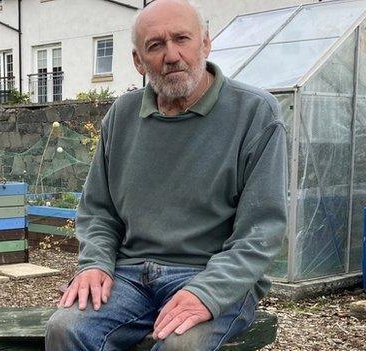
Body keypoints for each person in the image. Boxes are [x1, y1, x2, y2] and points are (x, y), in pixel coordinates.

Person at [45, 0, 288, 349]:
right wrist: (94, 263)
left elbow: (261, 231)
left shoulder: (255, 113)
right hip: (128, 277)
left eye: (182, 39)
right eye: (155, 45)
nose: (171, 55)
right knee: (65, 328)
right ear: (138, 60)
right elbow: (99, 209)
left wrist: (207, 293)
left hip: (212, 275)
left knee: (180, 345)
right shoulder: (122, 116)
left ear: (205, 43)